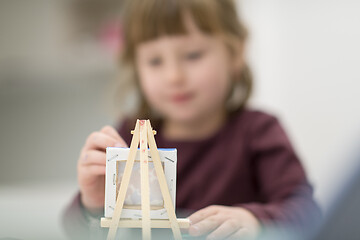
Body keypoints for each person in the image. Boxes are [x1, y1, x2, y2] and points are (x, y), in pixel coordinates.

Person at [62, 0, 321, 239]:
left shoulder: (259, 131)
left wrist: (255, 219)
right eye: (155, 61)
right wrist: (93, 203)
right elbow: (77, 231)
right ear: (136, 68)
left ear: (235, 54)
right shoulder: (131, 136)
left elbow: (308, 212)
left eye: (193, 55)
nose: (174, 76)